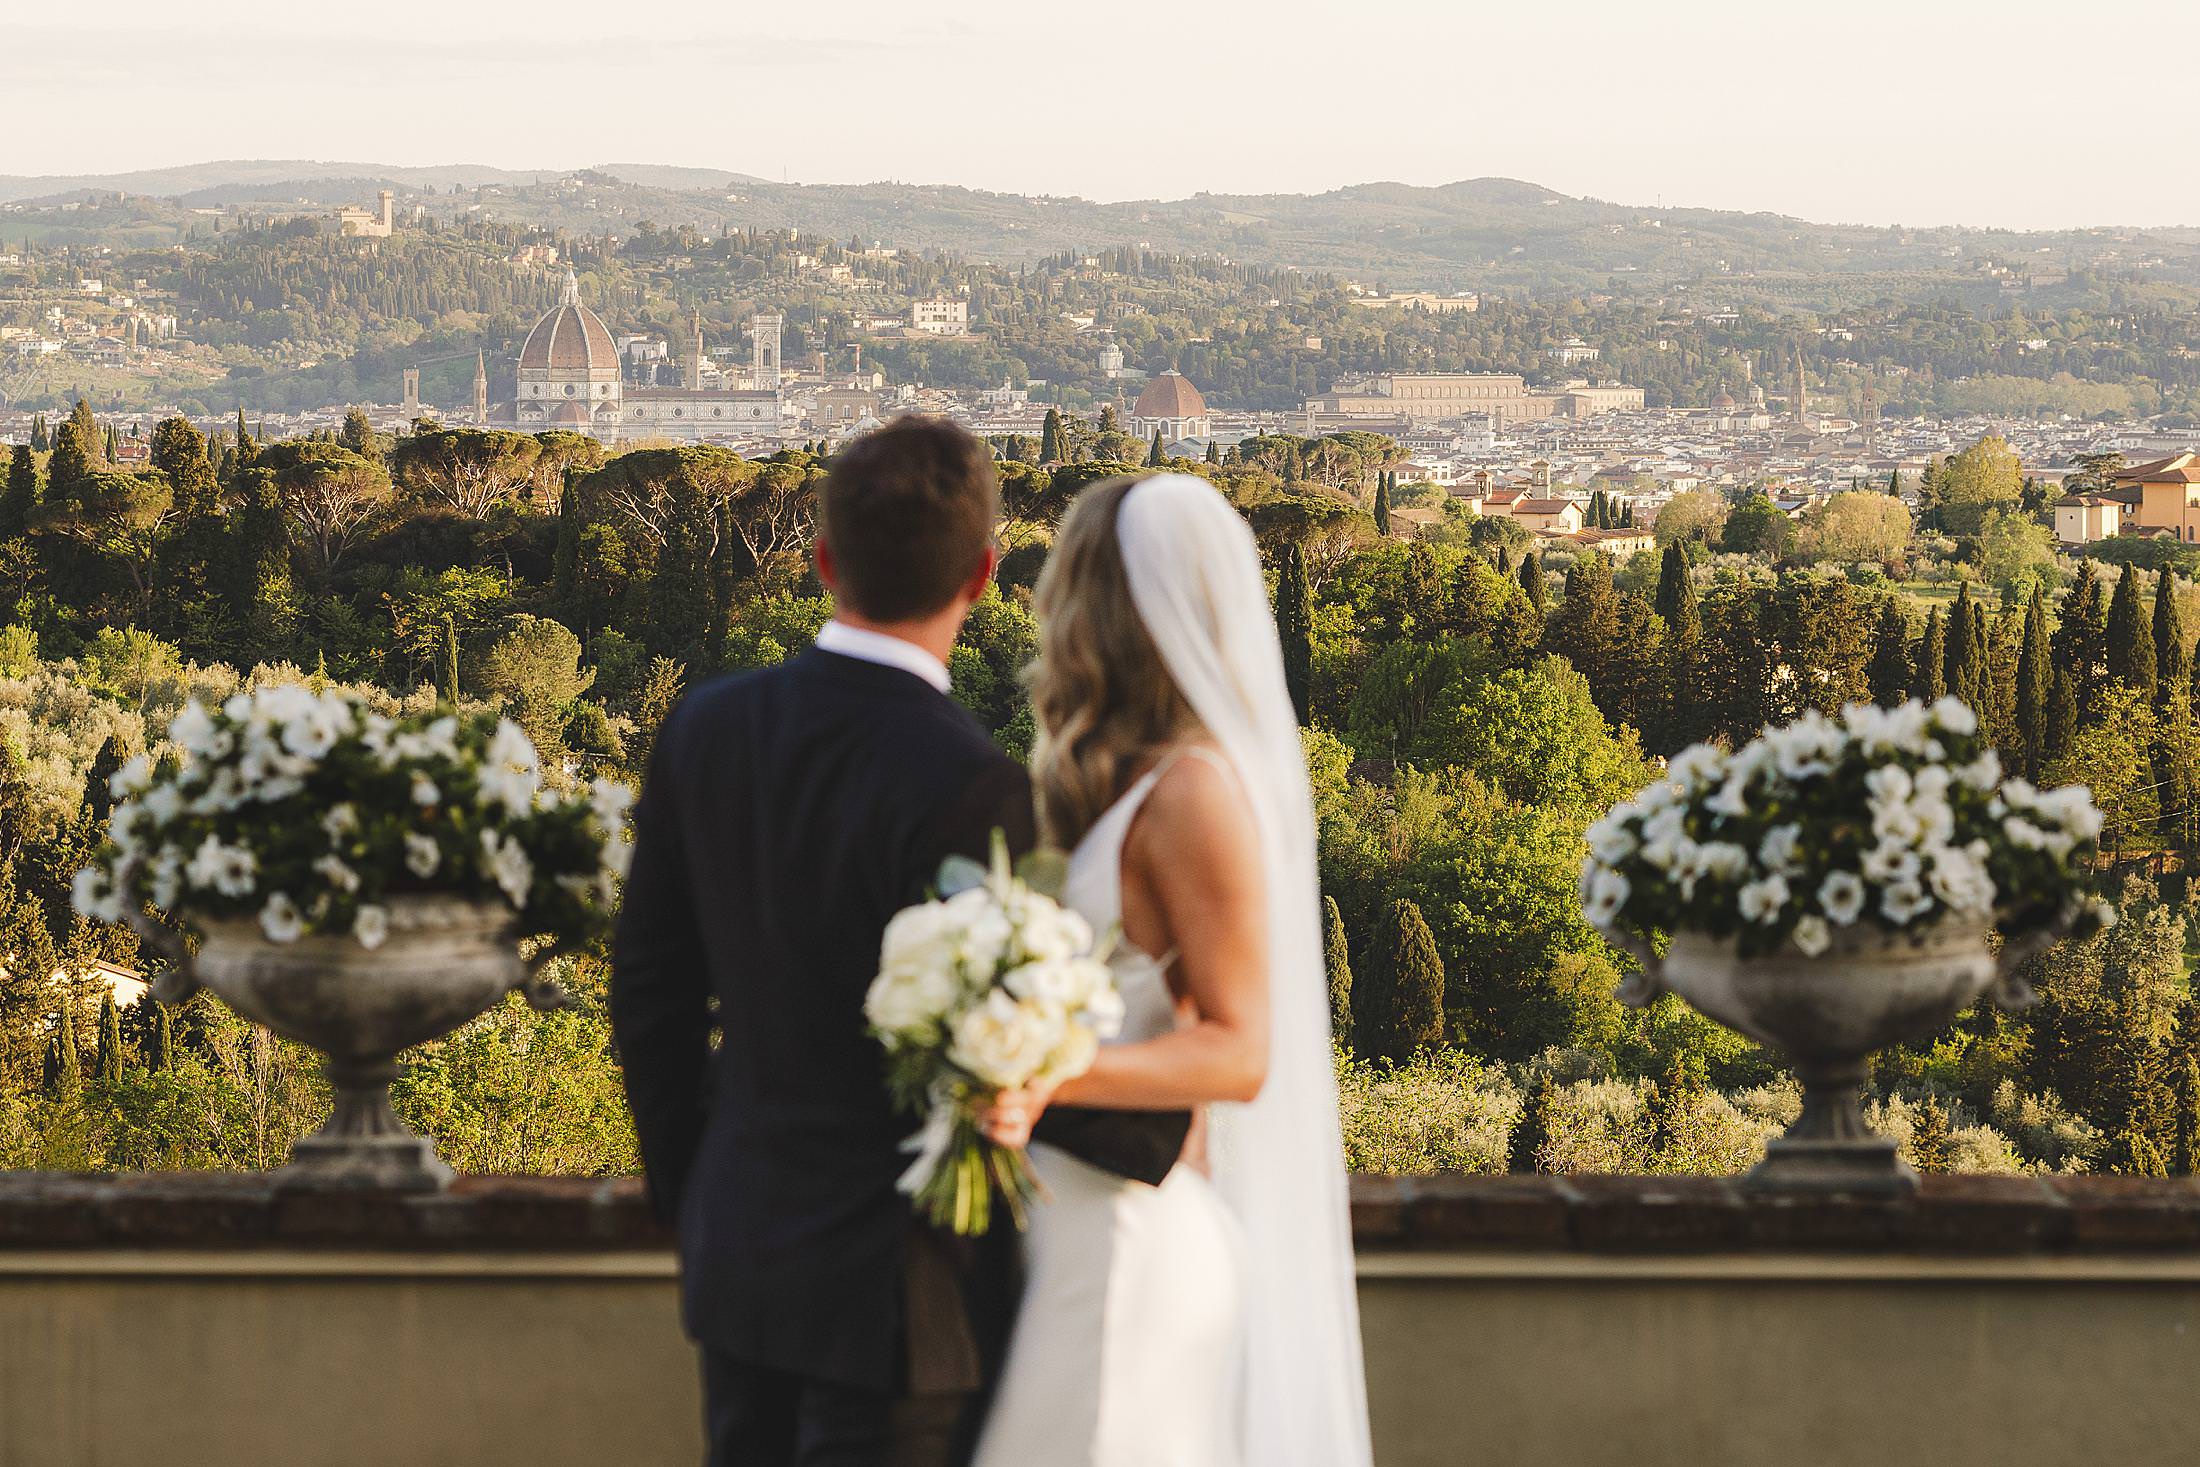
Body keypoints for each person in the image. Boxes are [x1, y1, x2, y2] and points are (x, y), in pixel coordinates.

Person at [612, 417, 1178, 1467]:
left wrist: (696, 1199)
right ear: (984, 574)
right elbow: (990, 1036)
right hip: (906, 1292)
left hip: (742, 1258)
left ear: (824, 560)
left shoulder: (705, 727)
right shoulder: (973, 782)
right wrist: (1154, 1127)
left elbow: (650, 993)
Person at [971, 473, 1373, 1467]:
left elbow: (1240, 1051)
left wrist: (1044, 1071)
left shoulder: (1195, 792)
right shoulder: (1119, 784)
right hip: (1072, 1221)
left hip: (1130, 1239)